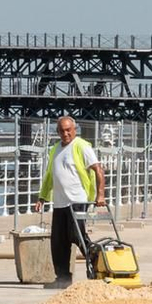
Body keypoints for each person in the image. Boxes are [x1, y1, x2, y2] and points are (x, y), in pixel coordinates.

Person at [33, 115, 106, 286]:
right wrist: (42, 197)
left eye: (68, 130)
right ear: (57, 132)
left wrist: (100, 195)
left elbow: (98, 170)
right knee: (58, 241)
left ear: (74, 130)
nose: (65, 134)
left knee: (76, 235)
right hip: (60, 203)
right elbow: (50, 176)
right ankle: (63, 278)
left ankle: (98, 262)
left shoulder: (81, 146)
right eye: (62, 131)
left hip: (77, 200)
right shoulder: (55, 149)